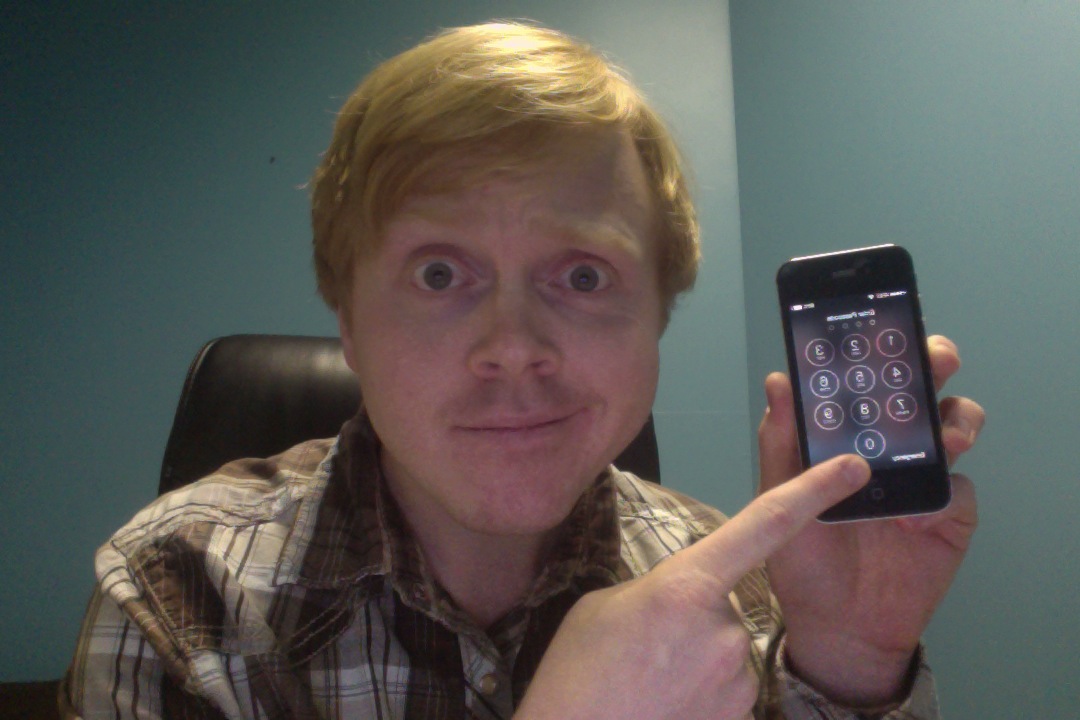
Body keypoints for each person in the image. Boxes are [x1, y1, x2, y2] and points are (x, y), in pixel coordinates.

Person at [62, 21, 984, 720]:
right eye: (438, 274)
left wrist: (850, 663)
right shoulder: (176, 600)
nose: (512, 345)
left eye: (583, 277)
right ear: (348, 321)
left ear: (656, 321)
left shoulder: (744, 592)